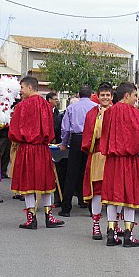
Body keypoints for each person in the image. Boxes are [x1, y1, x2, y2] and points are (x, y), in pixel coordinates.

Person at [8, 76, 64, 230]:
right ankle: (49, 216)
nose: (21, 91)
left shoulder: (21, 107)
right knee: (46, 182)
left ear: (30, 88)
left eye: (22, 88)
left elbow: (13, 131)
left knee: (27, 184)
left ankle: (31, 218)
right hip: (42, 148)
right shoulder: (46, 106)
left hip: (26, 148)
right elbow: (51, 130)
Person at [100, 82, 139, 247]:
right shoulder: (134, 113)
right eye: (135, 96)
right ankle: (128, 235)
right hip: (129, 160)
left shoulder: (109, 113)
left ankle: (111, 232)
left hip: (112, 160)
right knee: (130, 196)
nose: (136, 99)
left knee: (112, 197)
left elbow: (104, 135)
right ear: (127, 95)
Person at [82, 82, 114, 240]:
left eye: (108, 95)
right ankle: (96, 225)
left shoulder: (117, 112)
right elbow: (89, 136)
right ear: (98, 96)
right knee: (98, 192)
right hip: (98, 156)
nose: (105, 98)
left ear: (112, 96)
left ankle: (113, 225)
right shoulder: (92, 114)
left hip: (114, 158)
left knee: (114, 193)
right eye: (103, 95)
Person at [59, 86, 98, 217]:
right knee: (89, 173)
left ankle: (66, 208)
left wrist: (64, 143)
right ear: (91, 94)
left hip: (76, 139)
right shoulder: (95, 107)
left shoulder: (71, 108)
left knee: (72, 173)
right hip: (91, 139)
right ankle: (91, 207)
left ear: (79, 95)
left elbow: (65, 128)